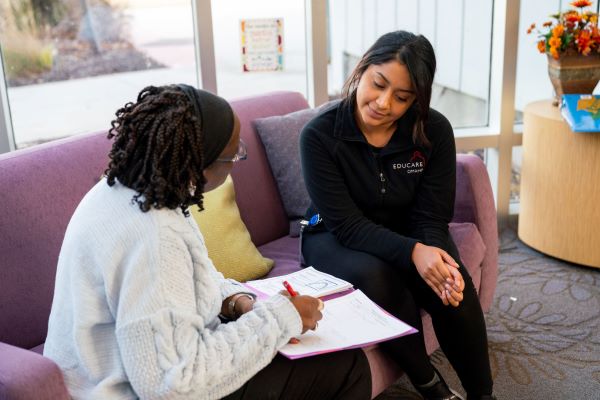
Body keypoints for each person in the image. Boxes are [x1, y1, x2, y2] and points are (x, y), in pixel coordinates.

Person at [44, 84, 371, 400]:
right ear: (199, 168)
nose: (237, 160)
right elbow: (173, 384)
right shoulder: (154, 237)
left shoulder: (126, 189)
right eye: (234, 156)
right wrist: (281, 317)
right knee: (346, 367)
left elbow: (182, 283)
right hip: (124, 389)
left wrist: (235, 300)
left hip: (108, 371)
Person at [300, 31, 496, 400]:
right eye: (378, 84)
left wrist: (434, 254)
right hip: (334, 236)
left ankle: (483, 394)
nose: (384, 103)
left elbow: (432, 216)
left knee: (451, 279)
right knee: (378, 275)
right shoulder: (319, 137)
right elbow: (349, 225)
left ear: (416, 100)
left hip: (410, 229)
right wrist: (412, 253)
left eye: (402, 97)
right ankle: (429, 383)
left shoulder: (433, 130)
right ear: (363, 68)